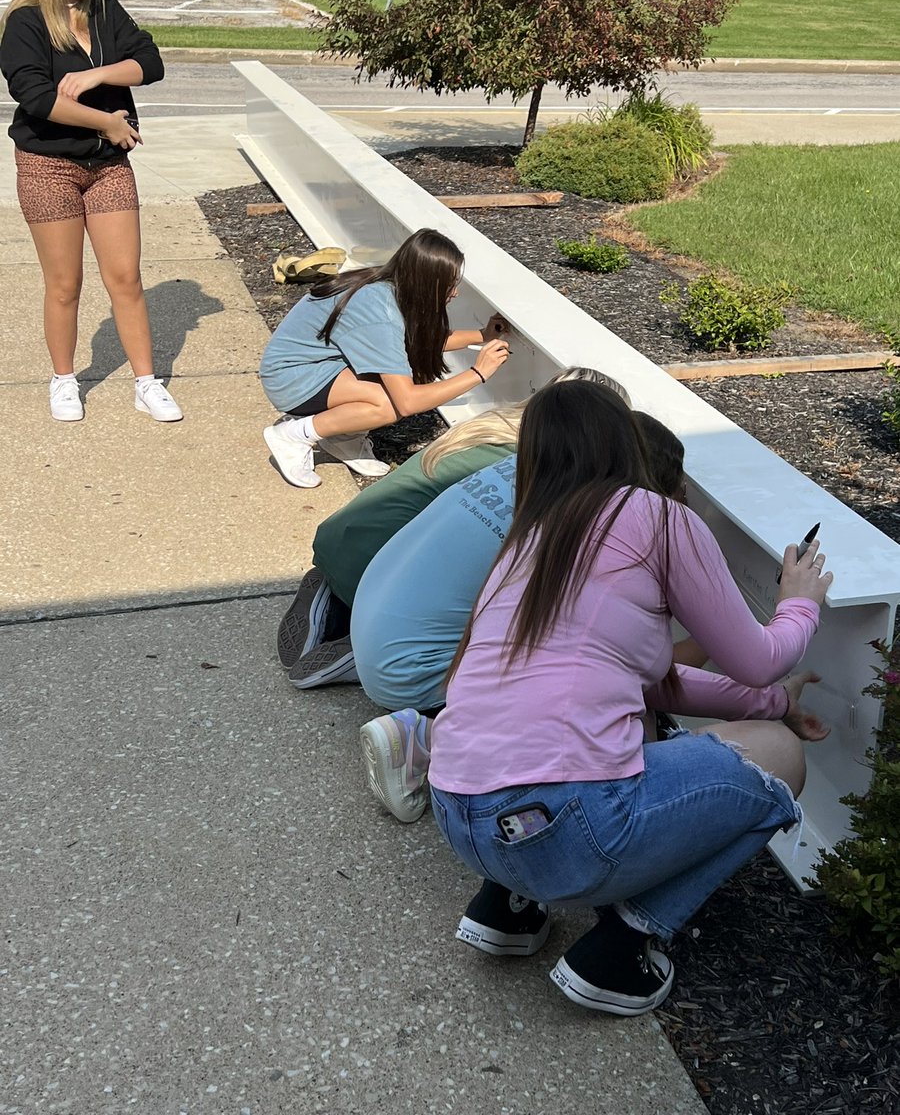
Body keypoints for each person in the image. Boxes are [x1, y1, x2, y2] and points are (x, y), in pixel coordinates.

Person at [426, 381, 832, 1017]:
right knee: (779, 760)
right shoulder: (656, 516)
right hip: (562, 829)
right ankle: (623, 947)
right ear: (624, 440)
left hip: (457, 815)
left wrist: (776, 703)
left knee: (593, 727)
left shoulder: (526, 543)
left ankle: (507, 908)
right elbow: (759, 658)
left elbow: (659, 682)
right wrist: (799, 601)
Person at [352, 409, 699, 824]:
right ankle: (425, 738)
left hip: (374, 628)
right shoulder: (581, 530)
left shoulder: (529, 468)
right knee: (592, 678)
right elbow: (633, 667)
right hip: (412, 669)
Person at [276, 369, 629, 689]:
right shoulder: (520, 465)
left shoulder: (486, 428)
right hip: (379, 572)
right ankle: (365, 645)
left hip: (343, 540)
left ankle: (331, 590)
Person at [0, 0, 181, 424]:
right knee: (65, 284)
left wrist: (96, 73)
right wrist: (106, 122)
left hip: (107, 168)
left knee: (126, 277)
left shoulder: (102, 7)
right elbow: (36, 98)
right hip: (47, 166)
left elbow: (150, 60)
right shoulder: (25, 22)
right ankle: (63, 380)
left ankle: (146, 383)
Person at [258, 228, 510, 487]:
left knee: (409, 374)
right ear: (426, 281)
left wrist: (482, 335)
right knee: (388, 404)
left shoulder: (389, 286)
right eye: (449, 284)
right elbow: (408, 403)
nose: (454, 293)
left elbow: (418, 343)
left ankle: (343, 437)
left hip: (314, 367)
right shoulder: (380, 313)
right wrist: (477, 373)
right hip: (291, 379)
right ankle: (295, 435)